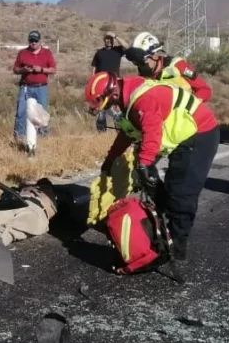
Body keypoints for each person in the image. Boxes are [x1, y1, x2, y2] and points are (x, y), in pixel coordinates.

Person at [84, 69, 220, 282]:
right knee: (152, 180)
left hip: (200, 133)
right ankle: (165, 218)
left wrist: (145, 164)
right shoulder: (127, 101)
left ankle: (177, 249)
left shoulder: (144, 100)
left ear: (113, 93)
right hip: (180, 137)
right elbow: (127, 133)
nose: (107, 108)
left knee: (181, 191)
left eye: (106, 103)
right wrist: (110, 161)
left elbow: (152, 131)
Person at [126, 32, 212, 101]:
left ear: (155, 55)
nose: (140, 66)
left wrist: (189, 104)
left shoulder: (177, 66)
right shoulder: (144, 75)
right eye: (136, 63)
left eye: (143, 61)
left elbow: (205, 90)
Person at [12, 30, 56, 145]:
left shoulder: (47, 53)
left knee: (41, 113)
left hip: (41, 88)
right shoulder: (23, 53)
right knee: (21, 112)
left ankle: (42, 138)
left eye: (35, 41)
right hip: (25, 87)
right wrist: (23, 70)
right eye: (31, 40)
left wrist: (40, 69)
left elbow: (53, 69)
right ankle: (19, 137)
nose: (33, 43)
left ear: (40, 41)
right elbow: (15, 69)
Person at [90, 32, 128, 131]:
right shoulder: (99, 53)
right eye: (107, 39)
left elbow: (127, 47)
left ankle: (120, 131)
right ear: (104, 40)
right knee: (101, 109)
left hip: (114, 85)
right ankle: (101, 133)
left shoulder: (118, 50)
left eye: (110, 39)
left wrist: (116, 36)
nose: (109, 40)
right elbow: (94, 68)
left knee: (116, 109)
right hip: (101, 86)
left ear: (113, 40)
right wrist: (92, 83)